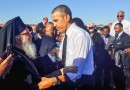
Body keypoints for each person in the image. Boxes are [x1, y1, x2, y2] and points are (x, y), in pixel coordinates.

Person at [38, 4, 94, 90]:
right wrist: (50, 75)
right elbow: (62, 58)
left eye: (56, 20)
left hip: (81, 82)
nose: (54, 25)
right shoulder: (66, 36)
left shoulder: (80, 35)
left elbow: (76, 70)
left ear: (67, 17)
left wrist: (53, 80)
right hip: (69, 78)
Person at [0, 16, 40, 90]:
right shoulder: (13, 60)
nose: (31, 35)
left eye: (30, 32)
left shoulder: (22, 53)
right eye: (27, 34)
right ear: (17, 39)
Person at [112, 23, 130, 90]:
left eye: (116, 28)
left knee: (122, 80)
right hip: (117, 62)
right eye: (114, 28)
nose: (115, 29)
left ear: (121, 28)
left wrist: (117, 49)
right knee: (116, 79)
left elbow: (127, 49)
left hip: (123, 63)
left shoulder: (126, 36)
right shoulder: (117, 36)